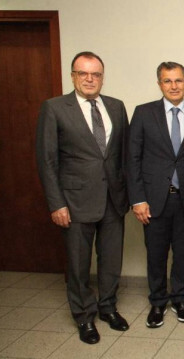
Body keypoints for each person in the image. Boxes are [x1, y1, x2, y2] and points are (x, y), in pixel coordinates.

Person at [36, 51, 130, 344]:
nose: (90, 79)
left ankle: (108, 308)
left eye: (96, 74)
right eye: (83, 73)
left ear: (102, 77)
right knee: (78, 265)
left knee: (111, 261)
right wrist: (57, 203)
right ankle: (84, 317)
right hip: (74, 203)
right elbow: (47, 160)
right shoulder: (54, 108)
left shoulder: (116, 106)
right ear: (73, 75)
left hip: (113, 200)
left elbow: (123, 155)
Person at [127, 62, 184, 329]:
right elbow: (132, 159)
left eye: (178, 80)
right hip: (153, 200)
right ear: (159, 84)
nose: (174, 86)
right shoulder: (143, 113)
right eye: (167, 81)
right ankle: (158, 302)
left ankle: (180, 300)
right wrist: (137, 199)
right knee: (156, 255)